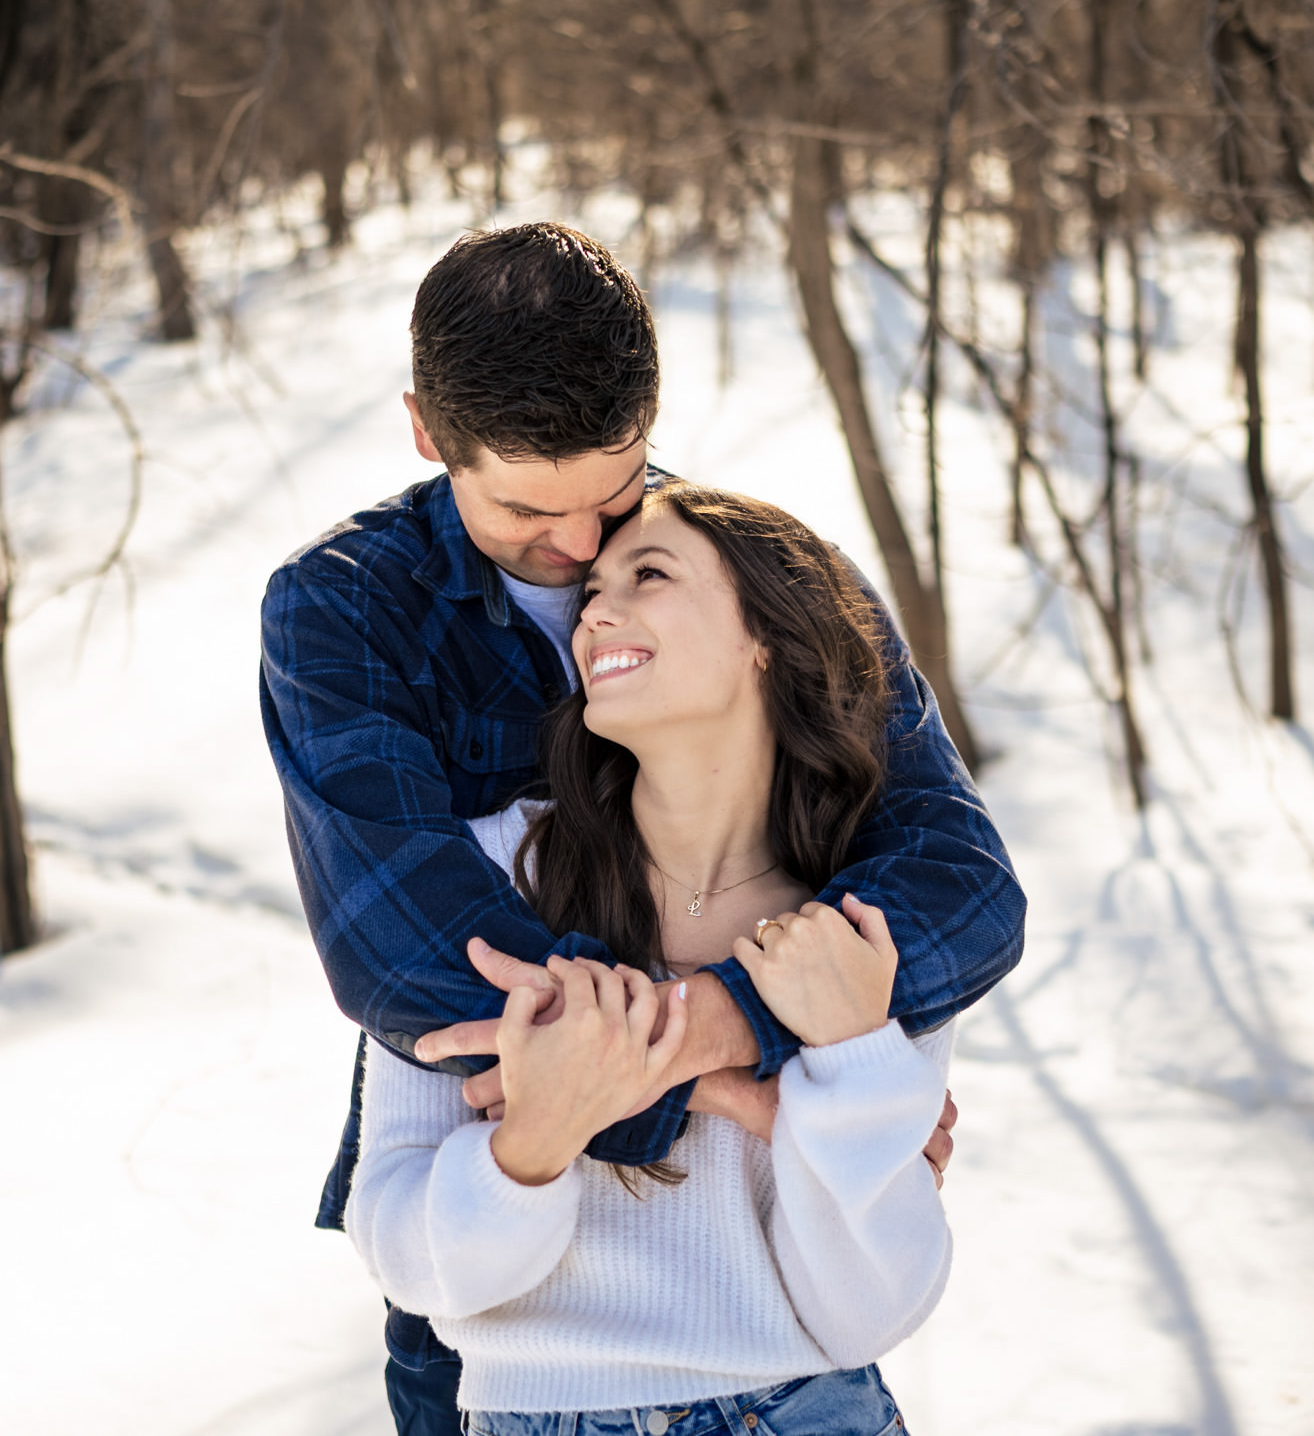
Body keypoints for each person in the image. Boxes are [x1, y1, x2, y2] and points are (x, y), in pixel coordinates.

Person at [259, 222, 1023, 1435]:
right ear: (426, 432)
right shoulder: (347, 609)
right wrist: (751, 1094)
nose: (575, 556)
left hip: (781, 1339)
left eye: (615, 500)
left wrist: (739, 1024)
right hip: (497, 1295)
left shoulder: (755, 573)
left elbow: (961, 885)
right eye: (523, 510)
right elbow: (412, 964)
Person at [347, 481, 953, 1435]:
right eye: (591, 591)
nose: (593, 610)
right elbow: (401, 1251)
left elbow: (869, 1309)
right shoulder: (483, 871)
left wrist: (853, 1062)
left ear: (767, 636)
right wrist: (531, 1148)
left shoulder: (857, 916)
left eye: (648, 573)